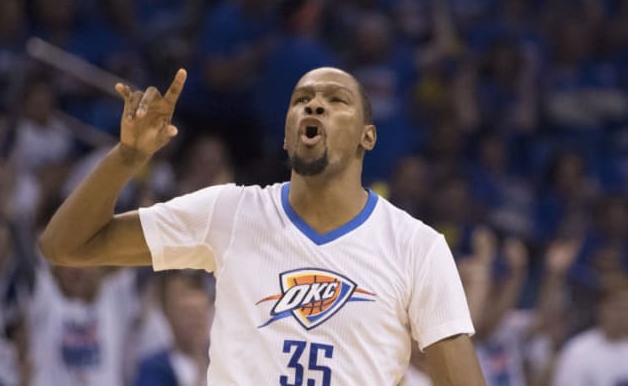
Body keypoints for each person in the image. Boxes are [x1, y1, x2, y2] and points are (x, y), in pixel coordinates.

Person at [40, 67, 486, 384]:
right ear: (288, 134)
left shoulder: (417, 247)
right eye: (301, 100)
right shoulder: (230, 212)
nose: (314, 104)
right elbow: (66, 246)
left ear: (367, 136)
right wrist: (128, 157)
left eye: (336, 100)